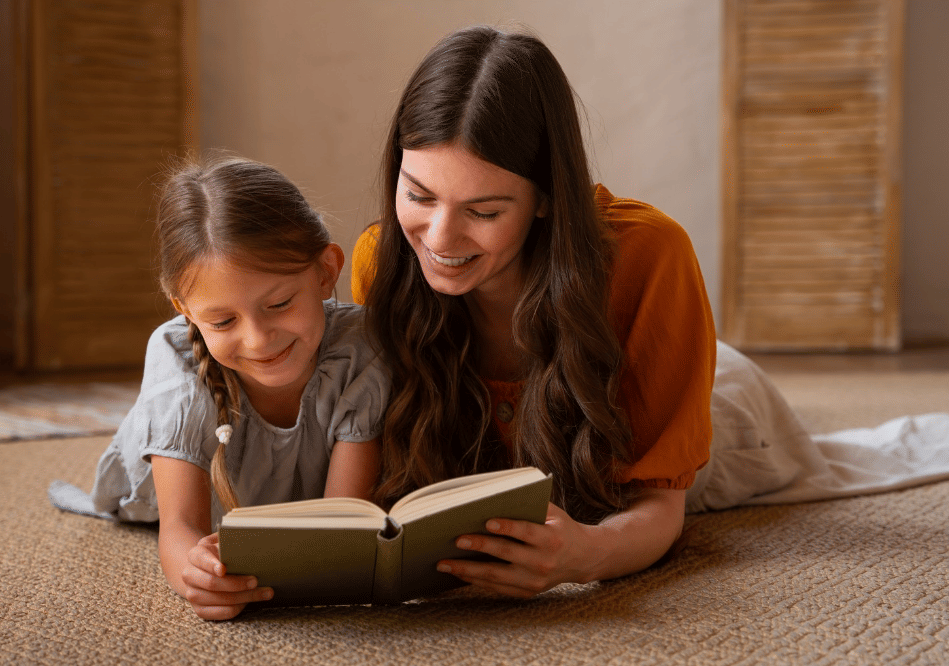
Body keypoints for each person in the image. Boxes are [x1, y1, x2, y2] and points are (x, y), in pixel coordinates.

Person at [351, 25, 949, 600]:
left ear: (546, 199)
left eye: (484, 212)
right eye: (418, 194)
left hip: (723, 403)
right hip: (603, 389)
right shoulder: (383, 263)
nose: (440, 238)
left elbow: (661, 507)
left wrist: (585, 555)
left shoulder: (650, 254)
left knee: (831, 452)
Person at [50, 155, 390, 620]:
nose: (259, 339)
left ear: (326, 271)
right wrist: (197, 576)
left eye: (280, 303)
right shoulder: (178, 361)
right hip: (160, 493)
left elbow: (342, 521)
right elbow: (179, 528)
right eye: (224, 321)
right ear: (185, 310)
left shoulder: (360, 349)